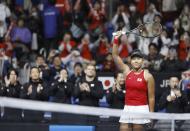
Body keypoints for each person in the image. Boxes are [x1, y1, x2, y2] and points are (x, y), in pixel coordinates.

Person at [112, 31, 155, 131]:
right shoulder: (127, 72)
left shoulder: (148, 76)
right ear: (130, 61)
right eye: (134, 59)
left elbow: (151, 97)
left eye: (138, 58)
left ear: (142, 61)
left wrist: (151, 115)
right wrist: (115, 39)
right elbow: (115, 56)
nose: (136, 61)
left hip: (141, 108)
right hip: (127, 108)